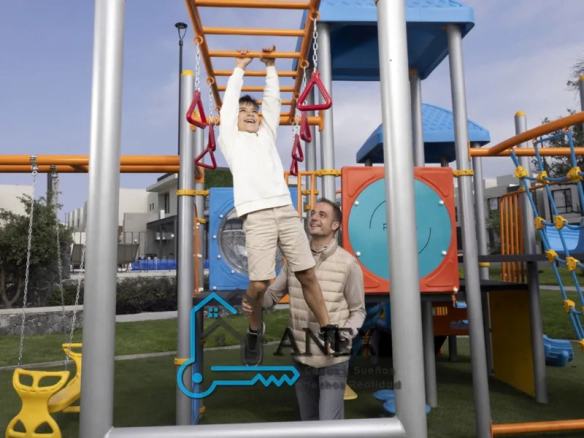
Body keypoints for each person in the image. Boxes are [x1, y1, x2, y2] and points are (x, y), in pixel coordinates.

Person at [217, 46, 337, 365]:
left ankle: (328, 329)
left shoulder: (266, 135)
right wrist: (240, 68)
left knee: (307, 274)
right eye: (244, 111)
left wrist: (271, 67)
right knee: (259, 284)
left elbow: (272, 103)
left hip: (284, 210)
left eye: (253, 111)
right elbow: (229, 106)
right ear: (234, 119)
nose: (251, 114)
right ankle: (255, 329)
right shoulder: (231, 139)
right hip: (256, 215)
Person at [242, 198, 367, 420]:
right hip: (301, 355)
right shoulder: (295, 261)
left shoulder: (348, 264)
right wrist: (254, 300)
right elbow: (272, 296)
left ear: (335, 225)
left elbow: (358, 311)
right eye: (313, 213)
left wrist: (343, 335)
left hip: (333, 359)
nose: (314, 218)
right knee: (308, 422)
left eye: (322, 215)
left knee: (328, 424)